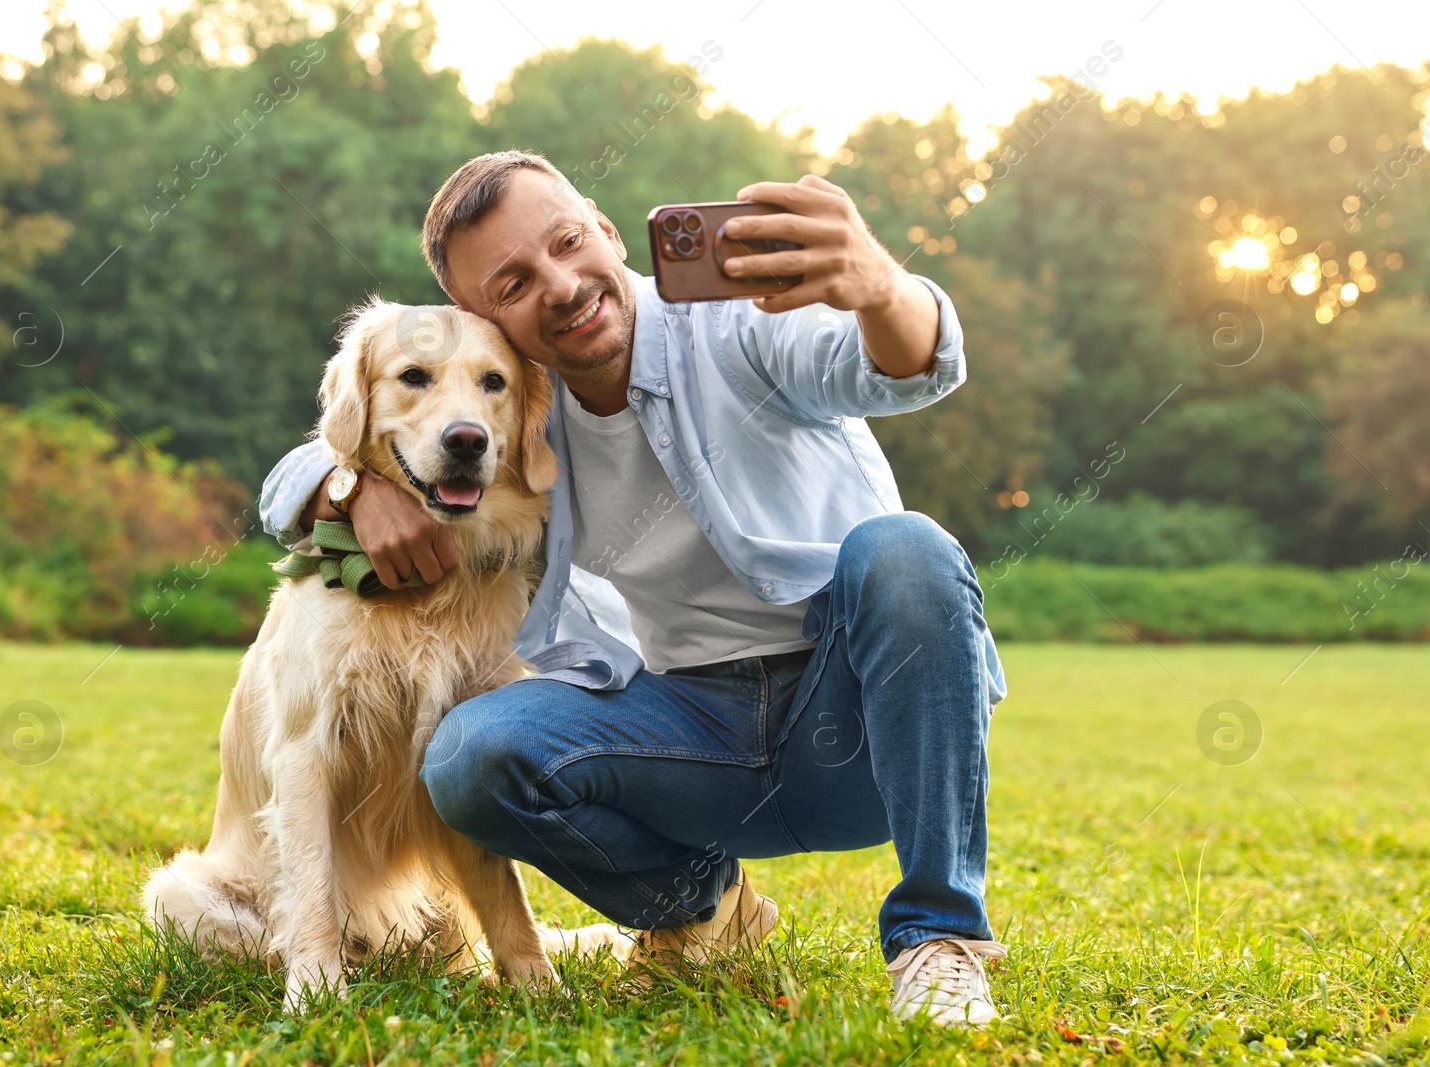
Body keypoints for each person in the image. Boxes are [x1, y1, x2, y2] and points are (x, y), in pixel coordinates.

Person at [259, 151, 1009, 1027]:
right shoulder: (524, 412)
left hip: (871, 735)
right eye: (513, 283)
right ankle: (704, 914)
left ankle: (938, 941)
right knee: (469, 754)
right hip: (693, 738)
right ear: (482, 322)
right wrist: (349, 486)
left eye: (568, 242)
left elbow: (907, 366)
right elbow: (315, 454)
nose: (563, 285)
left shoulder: (737, 319)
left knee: (903, 548)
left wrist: (880, 286)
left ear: (608, 231)